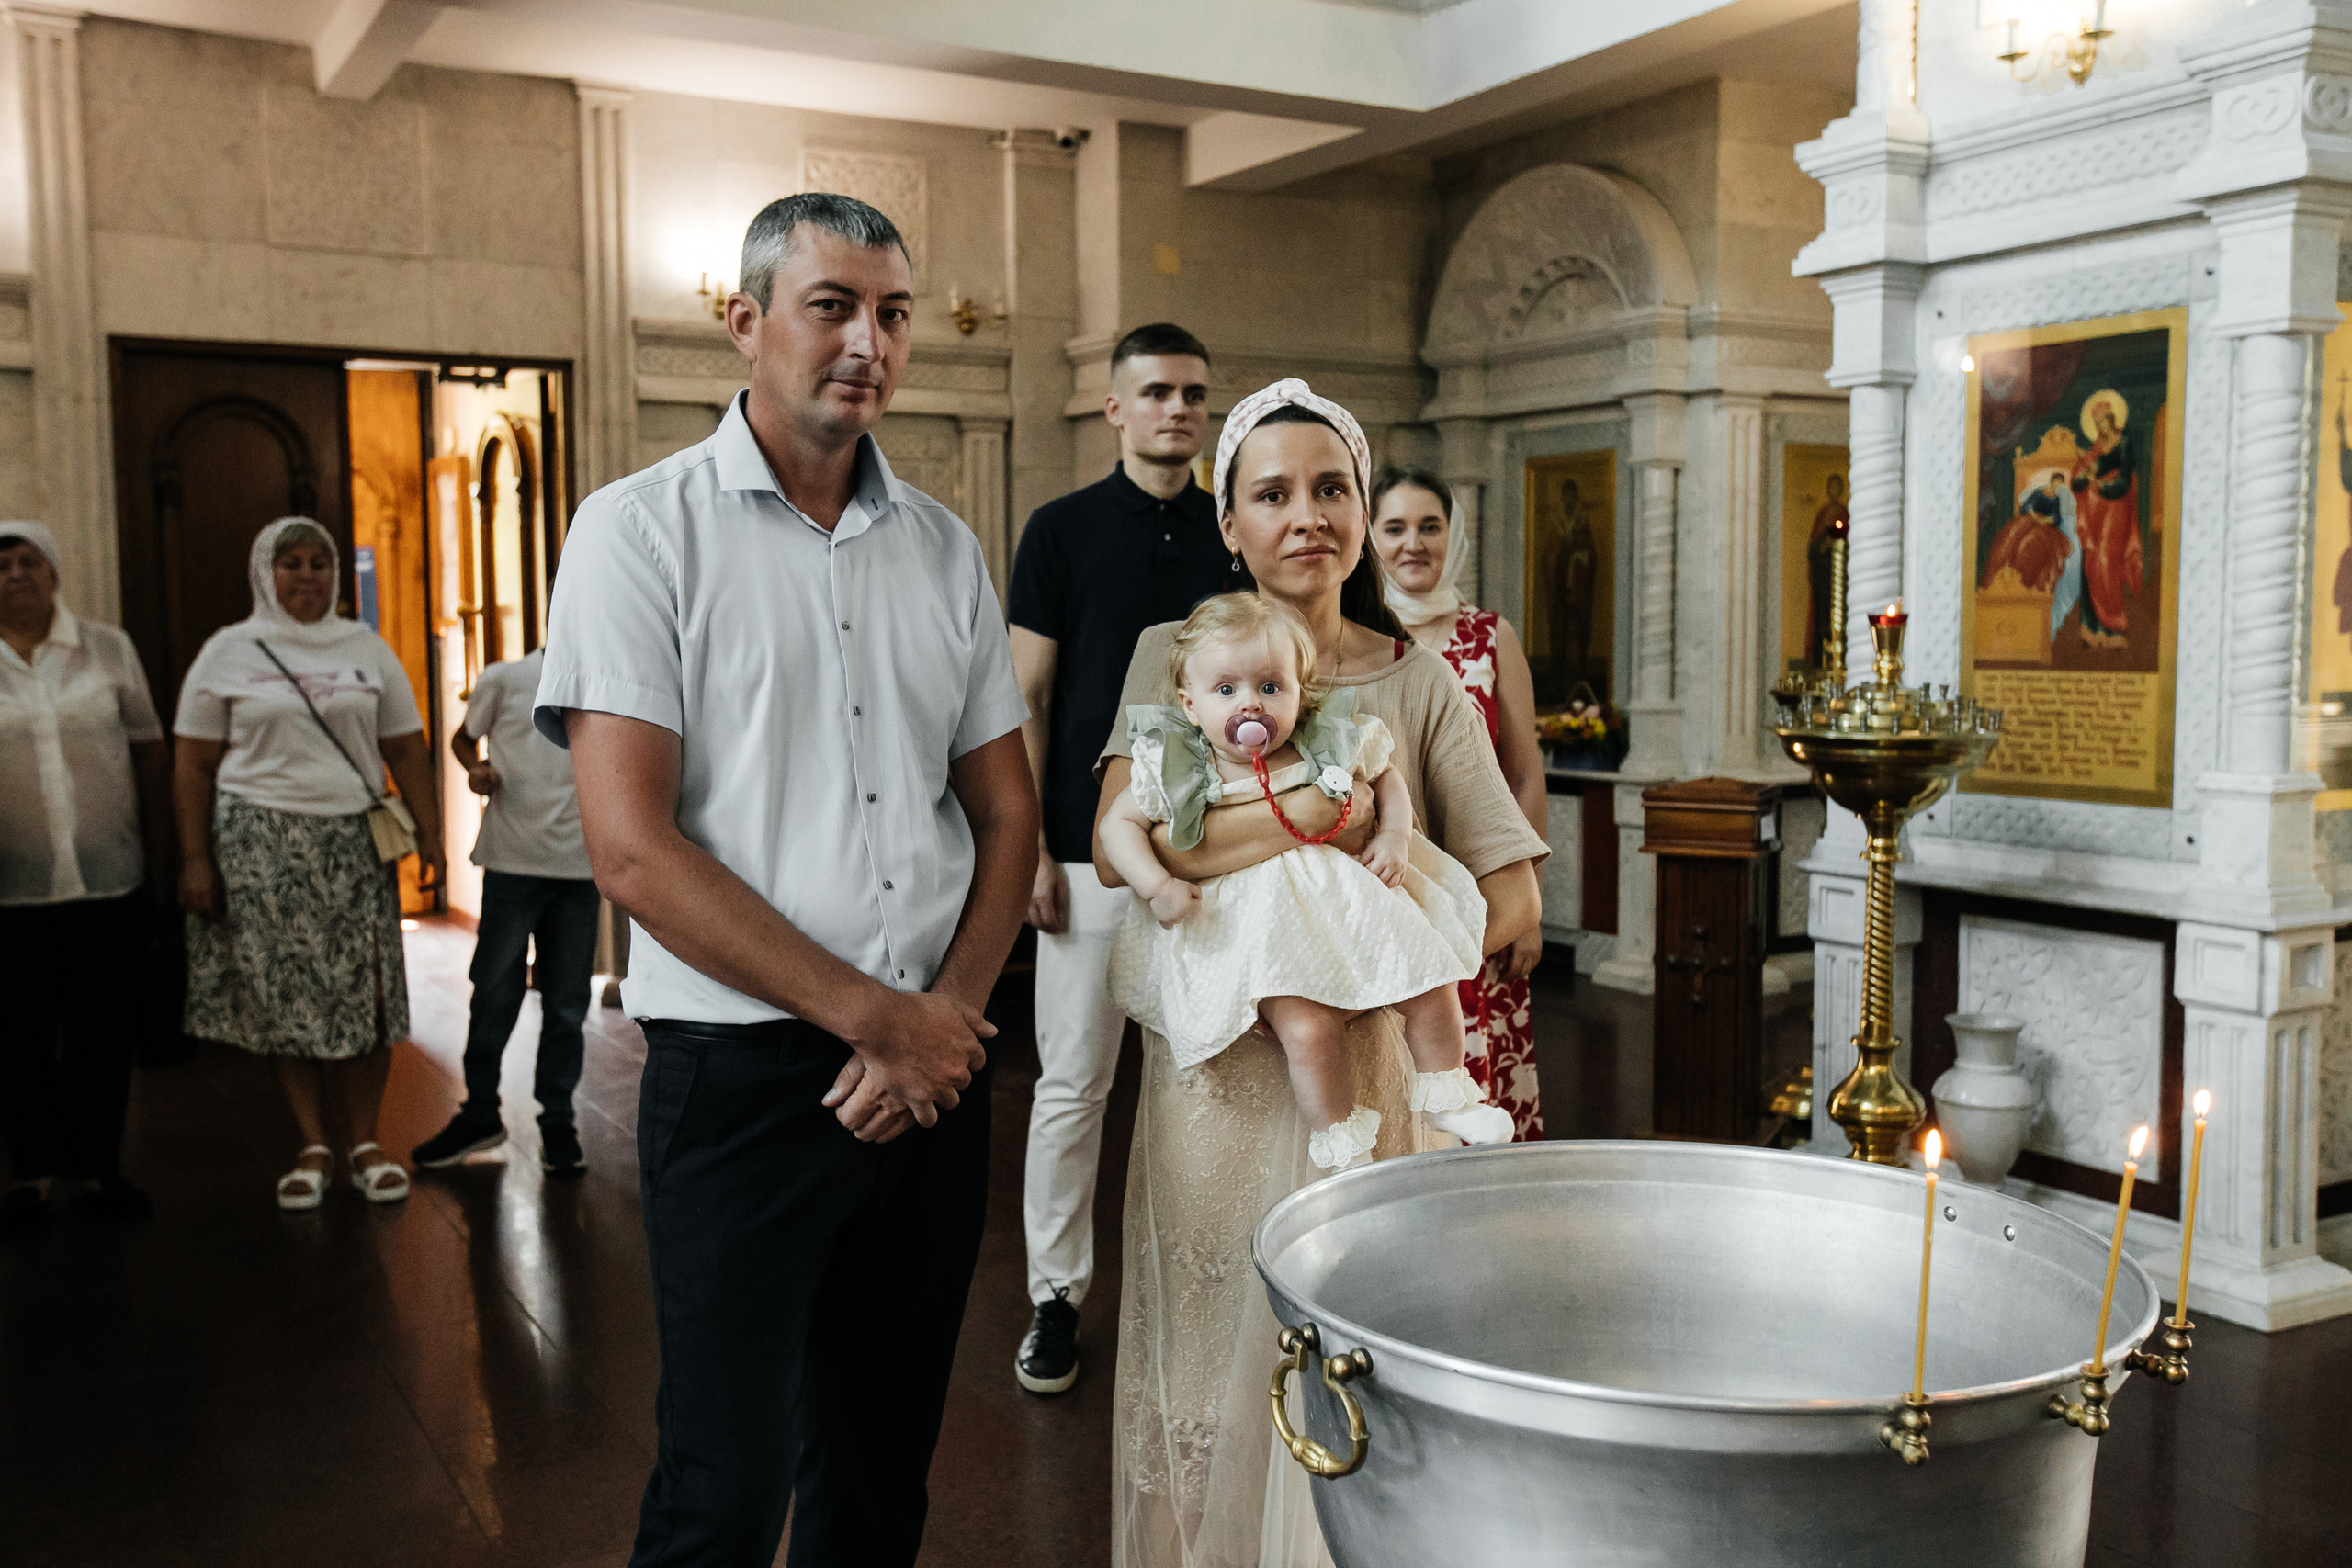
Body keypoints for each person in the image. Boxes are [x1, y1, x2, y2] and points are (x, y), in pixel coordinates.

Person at [534, 192, 1035, 1568]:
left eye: (891, 312)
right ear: (746, 321)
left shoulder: (942, 547)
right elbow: (631, 849)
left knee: (880, 1475)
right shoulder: (637, 532)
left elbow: (1007, 814)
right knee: (723, 1488)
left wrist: (946, 1017)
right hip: (746, 1079)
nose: (867, 341)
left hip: (933, 1072)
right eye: (832, 306)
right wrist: (882, 1018)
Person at [1096, 379, 1546, 1568]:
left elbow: (1514, 890)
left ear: (1361, 510)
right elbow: (1137, 839)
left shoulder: (1416, 680)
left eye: (1332, 487)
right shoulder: (1173, 657)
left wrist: (1371, 932)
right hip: (1217, 1084)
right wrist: (1329, 826)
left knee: (1360, 1358)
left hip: (1379, 1078)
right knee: (1215, 1354)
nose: (1308, 515)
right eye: (1272, 493)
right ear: (1229, 523)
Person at [1004, 321, 1227, 1395]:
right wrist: (1032, 854)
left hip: (1218, 858)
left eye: (1192, 394)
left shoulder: (1236, 533)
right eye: (1155, 393)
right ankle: (1055, 1298)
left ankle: (1206, 1294)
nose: (1176, 410)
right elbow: (1025, 697)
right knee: (1074, 1085)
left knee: (1213, 1081)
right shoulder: (1060, 529)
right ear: (1115, 408)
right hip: (1086, 857)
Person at [1099, 592, 1510, 1169]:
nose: (1251, 704)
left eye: (1271, 687)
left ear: (1300, 690)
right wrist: (1156, 885)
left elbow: (1387, 777)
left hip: (1348, 913)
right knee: (1309, 1028)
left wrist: (1395, 835)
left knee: (1429, 974)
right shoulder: (1176, 763)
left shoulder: (1323, 740)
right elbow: (1117, 829)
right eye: (1226, 690)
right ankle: (1340, 1140)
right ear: (1190, 705)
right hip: (1266, 940)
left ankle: (1446, 1092)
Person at [174, 517, 445, 1210]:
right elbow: (193, 762)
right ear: (265, 572)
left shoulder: (366, 647)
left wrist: (432, 839)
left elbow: (408, 749)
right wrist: (196, 857)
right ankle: (312, 1144)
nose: (306, 575)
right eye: (290, 563)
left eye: (319, 563)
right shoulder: (228, 651)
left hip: (353, 843)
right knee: (283, 995)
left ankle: (363, 1142)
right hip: (257, 845)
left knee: (367, 994)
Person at [0, 522, 170, 1232]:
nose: (13, 573)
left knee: (103, 1032)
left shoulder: (108, 647)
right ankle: (31, 1175)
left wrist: (161, 856)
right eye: (1, 564)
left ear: (54, 569)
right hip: (12, 890)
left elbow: (149, 753)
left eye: (27, 559)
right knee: (19, 1034)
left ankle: (101, 1169)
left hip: (109, 878)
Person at [1371, 466, 1549, 1140]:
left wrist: (1527, 902)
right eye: (1395, 528)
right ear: (1370, 537)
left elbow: (1524, 775)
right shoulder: (1363, 636)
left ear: (1455, 535)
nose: (1413, 543)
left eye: (1429, 526)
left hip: (1481, 899)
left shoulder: (1489, 635)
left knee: (1479, 1095)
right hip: (1390, 887)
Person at [410, 639, 598, 1175]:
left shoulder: (608, 676)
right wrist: (477, 770)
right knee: (494, 993)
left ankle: (558, 1121)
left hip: (582, 868)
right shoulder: (506, 678)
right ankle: (479, 1113)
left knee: (567, 1004)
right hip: (513, 862)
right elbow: (462, 739)